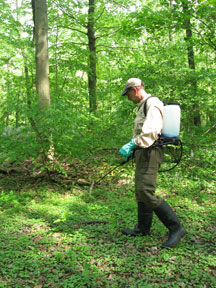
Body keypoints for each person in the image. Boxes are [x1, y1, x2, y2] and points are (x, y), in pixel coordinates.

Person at [119, 78, 186, 248]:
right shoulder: (143, 105)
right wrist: (133, 148)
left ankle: (176, 228)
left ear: (134, 90)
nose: (128, 98)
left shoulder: (153, 103)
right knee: (140, 191)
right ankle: (143, 228)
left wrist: (133, 144)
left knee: (146, 190)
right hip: (143, 152)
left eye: (128, 94)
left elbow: (151, 131)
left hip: (151, 151)